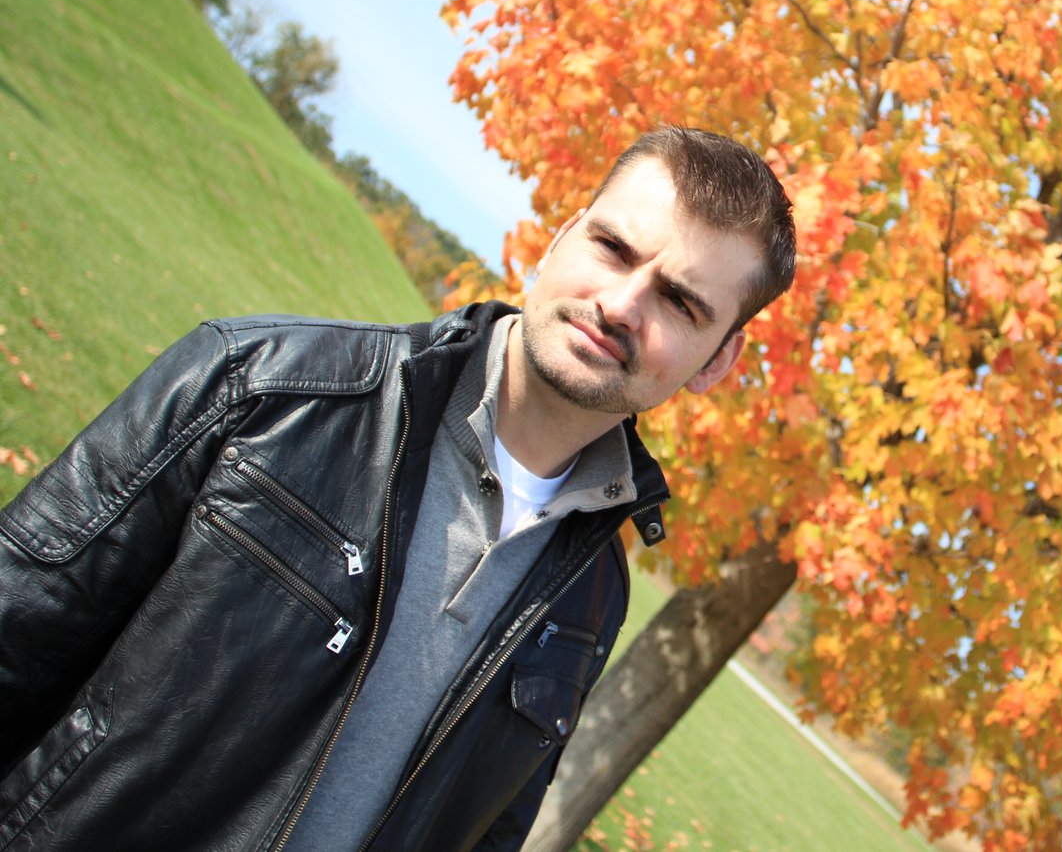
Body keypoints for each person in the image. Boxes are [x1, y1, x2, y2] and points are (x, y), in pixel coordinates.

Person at [0, 125, 796, 851]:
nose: (621, 304)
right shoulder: (266, 388)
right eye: (614, 248)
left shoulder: (593, 591)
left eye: (679, 302)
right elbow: (18, 626)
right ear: (559, 237)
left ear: (718, 361)